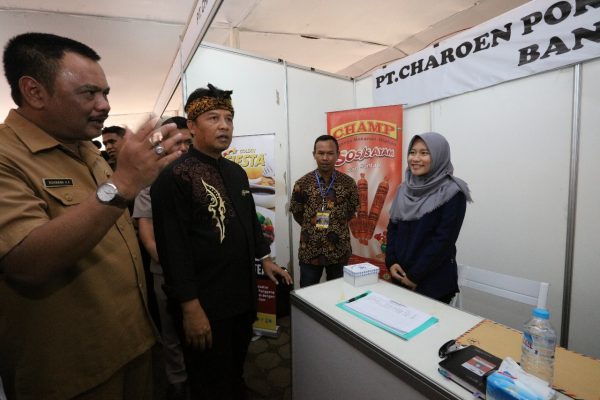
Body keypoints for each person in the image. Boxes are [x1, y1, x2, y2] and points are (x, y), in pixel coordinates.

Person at [0, 32, 183, 399]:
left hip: (135, 344)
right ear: (34, 92)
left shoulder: (85, 148)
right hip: (72, 373)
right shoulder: (7, 156)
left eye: (106, 93)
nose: (104, 105)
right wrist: (124, 183)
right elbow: (25, 262)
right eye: (89, 93)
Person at [151, 83, 292, 400]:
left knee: (235, 364)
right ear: (192, 125)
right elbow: (173, 251)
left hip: (241, 295)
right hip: (204, 303)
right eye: (213, 118)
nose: (224, 125)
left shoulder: (235, 172)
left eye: (228, 118)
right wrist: (190, 308)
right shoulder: (174, 177)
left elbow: (249, 220)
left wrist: (265, 258)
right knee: (207, 378)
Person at [133, 116, 192, 400]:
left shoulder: (203, 177)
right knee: (171, 331)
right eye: (176, 142)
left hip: (202, 273)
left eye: (187, 142)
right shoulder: (150, 183)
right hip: (165, 273)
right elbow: (147, 235)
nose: (182, 148)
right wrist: (176, 269)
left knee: (200, 329)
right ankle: (177, 379)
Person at [385, 132, 472, 303]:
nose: (415, 158)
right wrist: (391, 260)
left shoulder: (452, 192)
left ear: (439, 156)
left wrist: (414, 276)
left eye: (424, 153)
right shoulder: (404, 189)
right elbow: (393, 227)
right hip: (400, 275)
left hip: (432, 283)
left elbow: (443, 241)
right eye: (412, 152)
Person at [289, 135, 359, 288]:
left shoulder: (348, 184)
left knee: (338, 293)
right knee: (308, 294)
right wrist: (312, 227)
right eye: (321, 153)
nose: (325, 158)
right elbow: (297, 212)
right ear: (314, 154)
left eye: (330, 153)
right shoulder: (302, 183)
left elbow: (351, 211)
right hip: (310, 250)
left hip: (339, 251)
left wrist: (336, 225)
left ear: (337, 155)